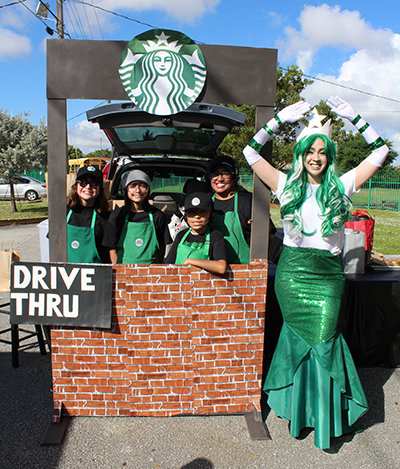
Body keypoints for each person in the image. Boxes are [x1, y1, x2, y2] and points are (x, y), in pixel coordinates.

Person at [242, 96, 389, 449]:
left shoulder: (343, 185)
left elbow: (381, 152)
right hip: (292, 275)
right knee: (298, 343)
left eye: (323, 150)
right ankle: (301, 415)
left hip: (327, 278)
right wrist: (277, 122)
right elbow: (250, 152)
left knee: (324, 341)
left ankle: (324, 421)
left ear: (330, 155)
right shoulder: (284, 184)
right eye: (310, 149)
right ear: (301, 152)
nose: (316, 157)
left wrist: (353, 116)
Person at [207, 155, 276, 264]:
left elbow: (270, 239)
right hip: (212, 269)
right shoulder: (206, 202)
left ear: (234, 176)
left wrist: (259, 230)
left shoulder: (248, 200)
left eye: (225, 173)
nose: (219, 179)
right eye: (215, 174)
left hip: (243, 270)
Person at [102, 169, 171, 264]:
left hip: (150, 273)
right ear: (126, 190)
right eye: (132, 186)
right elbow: (111, 247)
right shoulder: (117, 216)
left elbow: (162, 247)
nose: (137, 190)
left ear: (148, 190)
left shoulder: (157, 216)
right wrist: (118, 270)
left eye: (143, 186)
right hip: (123, 271)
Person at [164, 191, 227, 274]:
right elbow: (168, 263)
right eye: (191, 212)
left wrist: (191, 261)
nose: (197, 216)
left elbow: (221, 267)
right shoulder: (181, 235)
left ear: (211, 215)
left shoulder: (215, 236)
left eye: (202, 212)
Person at [67, 165, 110, 263]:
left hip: (95, 274)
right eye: (83, 182)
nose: (88, 187)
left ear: (100, 188)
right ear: (76, 186)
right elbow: (55, 244)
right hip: (67, 274)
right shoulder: (63, 213)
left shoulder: (105, 217)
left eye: (93, 184)